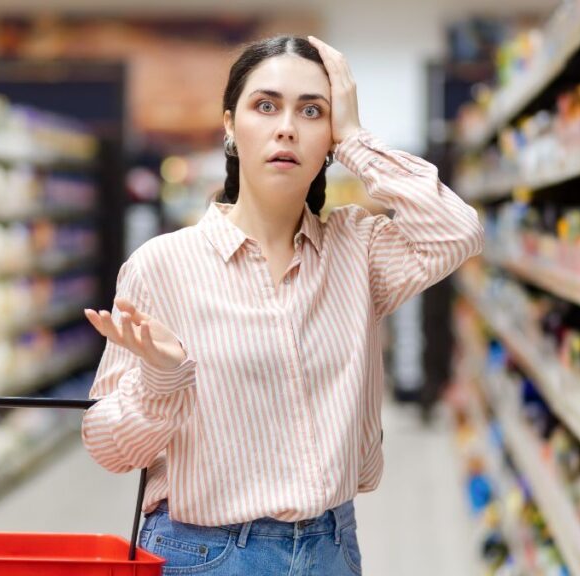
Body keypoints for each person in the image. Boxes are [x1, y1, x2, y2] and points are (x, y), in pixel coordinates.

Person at [82, 35, 483, 575]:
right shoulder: (163, 266)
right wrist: (161, 380)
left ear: (330, 134)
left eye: (312, 111)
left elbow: (456, 231)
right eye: (265, 105)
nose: (286, 127)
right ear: (230, 125)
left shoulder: (357, 250)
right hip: (204, 554)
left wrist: (357, 139)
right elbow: (107, 446)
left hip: (331, 548)